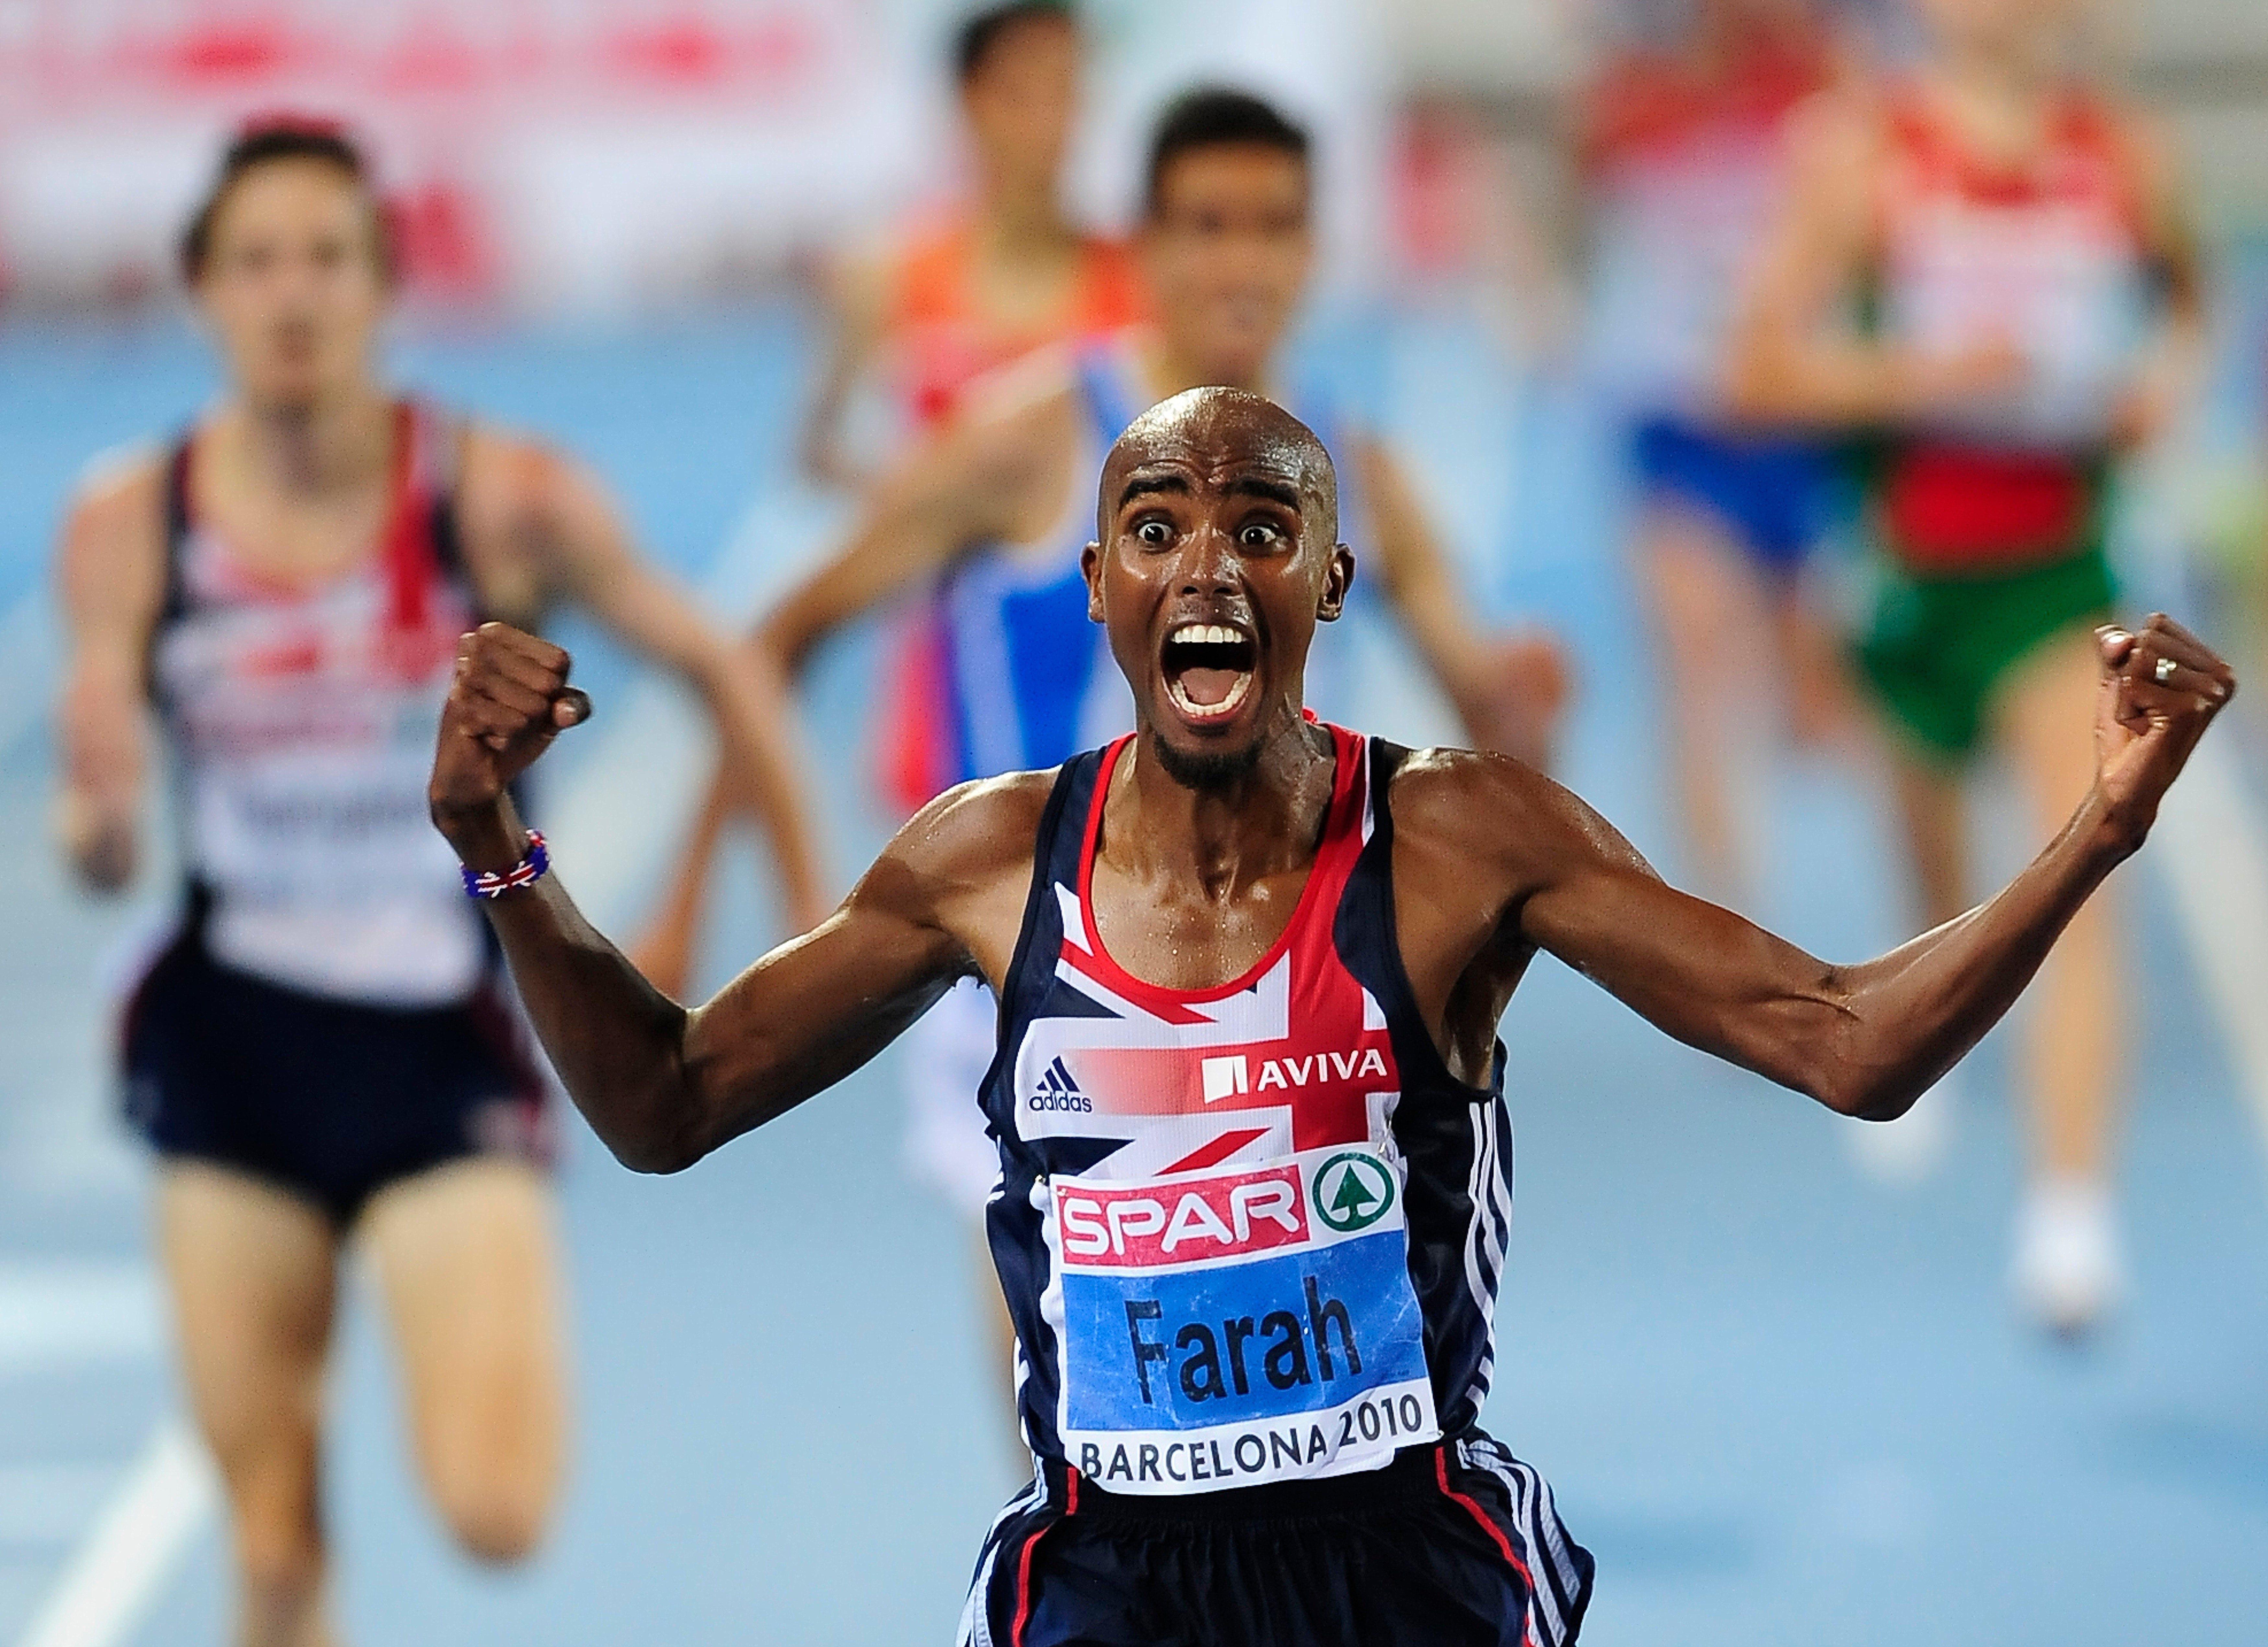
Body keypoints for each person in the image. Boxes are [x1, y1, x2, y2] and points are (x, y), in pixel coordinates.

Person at [429, 386, 2231, 1646]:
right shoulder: (982, 865)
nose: (1206, 564)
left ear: (1325, 587)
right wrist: (501, 849)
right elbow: (663, 1100)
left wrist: (2101, 824)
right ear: (1101, 593)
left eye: (1259, 526)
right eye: (1156, 528)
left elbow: (1843, 1037)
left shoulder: (1459, 840)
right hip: (1107, 1576)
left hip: (1405, 1564)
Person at [52, 121, 823, 1647]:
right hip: (233, 1040)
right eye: (257, 262)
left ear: (384, 287)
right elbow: (102, 807)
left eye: (327, 259)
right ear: (203, 291)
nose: (293, 296)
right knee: (270, 1545)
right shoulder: (132, 521)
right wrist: (101, 823)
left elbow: (728, 664)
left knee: (494, 1511)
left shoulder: (499, 496)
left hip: (436, 1037)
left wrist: (786, 919)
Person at [635, 88, 1568, 1251]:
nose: (1244, 262)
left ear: (1315, 250)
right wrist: (700, 892)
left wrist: (1524, 707)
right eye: (1209, 226)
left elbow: (1489, 724)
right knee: (1064, 1392)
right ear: (1148, 249)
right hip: (1020, 971)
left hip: (1242, 968)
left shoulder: (1346, 469)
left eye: (1275, 227)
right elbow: (782, 634)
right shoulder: (1031, 438)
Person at [1724, 0, 2204, 1330]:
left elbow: (2189, 299)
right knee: (1932, 862)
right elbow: (1754, 364)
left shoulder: (2123, 151)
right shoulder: (1860, 151)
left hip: (2057, 572)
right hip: (1902, 577)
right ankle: (1911, 1021)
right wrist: (1928, 372)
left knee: (2085, 851)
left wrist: (2161, 377)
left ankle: (2069, 1209)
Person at [799, 0, 1149, 818]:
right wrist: (920, 507)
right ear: (967, 104)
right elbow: (814, 445)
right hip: (943, 681)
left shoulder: (1133, 286)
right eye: (1022, 95)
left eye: (1068, 94)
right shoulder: (888, 280)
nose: (1050, 124)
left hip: (1103, 677)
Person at [1578, 0, 1856, 900]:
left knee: (1817, 704)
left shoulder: (1827, 90)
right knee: (1695, 656)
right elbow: (1584, 167)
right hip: (1679, 414)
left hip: (1798, 419)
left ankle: (1843, 883)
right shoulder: (1635, 97)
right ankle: (1718, 919)